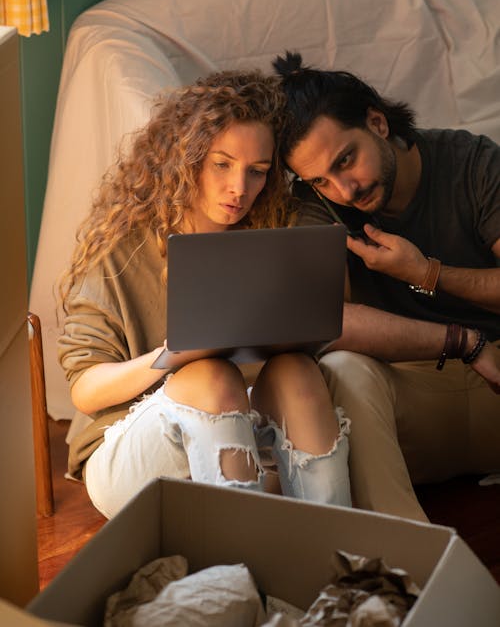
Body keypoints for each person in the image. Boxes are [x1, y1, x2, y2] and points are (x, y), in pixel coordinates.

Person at [57, 69, 351, 519]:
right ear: (186, 157)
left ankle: (336, 552)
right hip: (127, 450)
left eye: (257, 172)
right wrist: (170, 356)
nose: (239, 189)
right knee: (209, 376)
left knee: (297, 371)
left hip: (238, 427)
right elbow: (84, 391)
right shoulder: (122, 245)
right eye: (222, 164)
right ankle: (238, 567)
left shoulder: (270, 231)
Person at [272, 51, 500, 522]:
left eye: (346, 160)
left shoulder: (473, 162)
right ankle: (401, 562)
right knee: (343, 368)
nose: (345, 190)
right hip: (415, 391)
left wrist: (425, 273)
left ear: (377, 122)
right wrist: (461, 341)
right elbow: (323, 320)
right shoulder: (318, 205)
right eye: (320, 180)